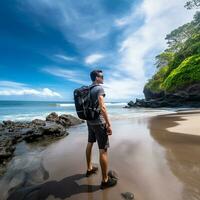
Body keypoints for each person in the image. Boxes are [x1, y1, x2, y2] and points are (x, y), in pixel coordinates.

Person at [85, 69, 117, 189]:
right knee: (103, 149)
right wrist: (108, 124)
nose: (103, 78)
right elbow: (102, 107)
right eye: (102, 76)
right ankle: (105, 180)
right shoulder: (99, 88)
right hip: (99, 122)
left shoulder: (87, 89)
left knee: (90, 143)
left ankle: (89, 169)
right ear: (96, 78)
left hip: (89, 121)